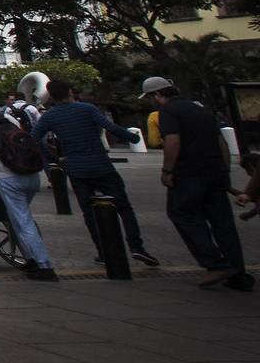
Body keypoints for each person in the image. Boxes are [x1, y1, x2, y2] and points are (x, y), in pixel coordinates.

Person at [31, 78, 158, 266]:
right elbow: (111, 128)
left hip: (77, 169)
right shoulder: (87, 109)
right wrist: (132, 136)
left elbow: (34, 138)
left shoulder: (50, 116)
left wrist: (54, 157)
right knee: (124, 207)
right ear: (70, 92)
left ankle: (103, 251)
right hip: (101, 165)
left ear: (50, 96)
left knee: (89, 212)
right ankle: (136, 246)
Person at [142, 77, 250, 290]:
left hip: (189, 174)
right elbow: (222, 143)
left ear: (157, 95)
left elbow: (172, 141)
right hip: (215, 172)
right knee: (223, 224)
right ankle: (238, 273)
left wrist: (167, 171)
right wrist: (224, 171)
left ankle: (215, 263)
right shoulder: (200, 109)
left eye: (150, 98)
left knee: (181, 214)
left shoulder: (168, 112)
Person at [0, 92, 56, 280]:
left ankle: (43, 264)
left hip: (8, 177)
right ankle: (30, 258)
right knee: (17, 219)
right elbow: (25, 138)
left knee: (23, 220)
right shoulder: (8, 118)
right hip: (30, 173)